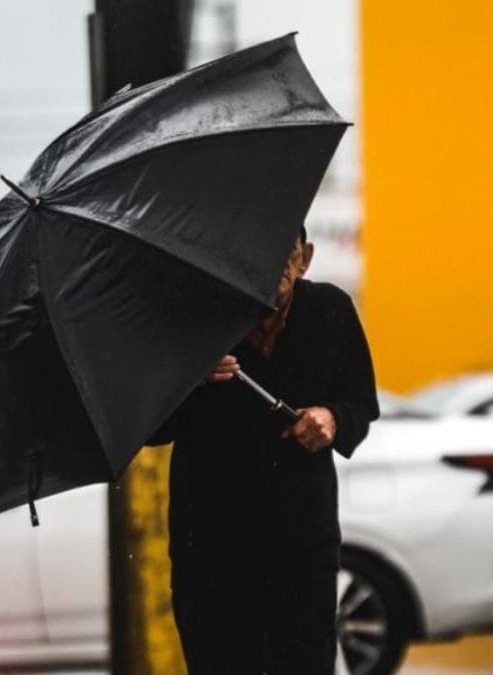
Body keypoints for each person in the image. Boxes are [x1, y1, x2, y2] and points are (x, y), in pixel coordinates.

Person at [149, 225, 379, 674]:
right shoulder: (198, 322)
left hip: (303, 543)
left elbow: (360, 403)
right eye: (259, 251)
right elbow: (153, 428)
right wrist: (190, 380)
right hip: (212, 550)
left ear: (305, 259)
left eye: (285, 254)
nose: (272, 265)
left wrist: (332, 419)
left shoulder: (330, 310)